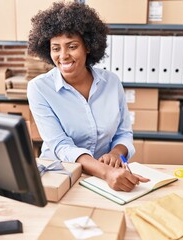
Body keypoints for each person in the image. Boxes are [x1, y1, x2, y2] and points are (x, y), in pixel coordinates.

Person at [27, 2, 149, 192]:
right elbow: (61, 146)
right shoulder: (39, 88)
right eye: (56, 48)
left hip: (108, 177)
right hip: (60, 175)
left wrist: (116, 153)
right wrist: (105, 172)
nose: (63, 55)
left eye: (72, 46)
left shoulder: (112, 82)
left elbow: (124, 133)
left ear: (88, 47)